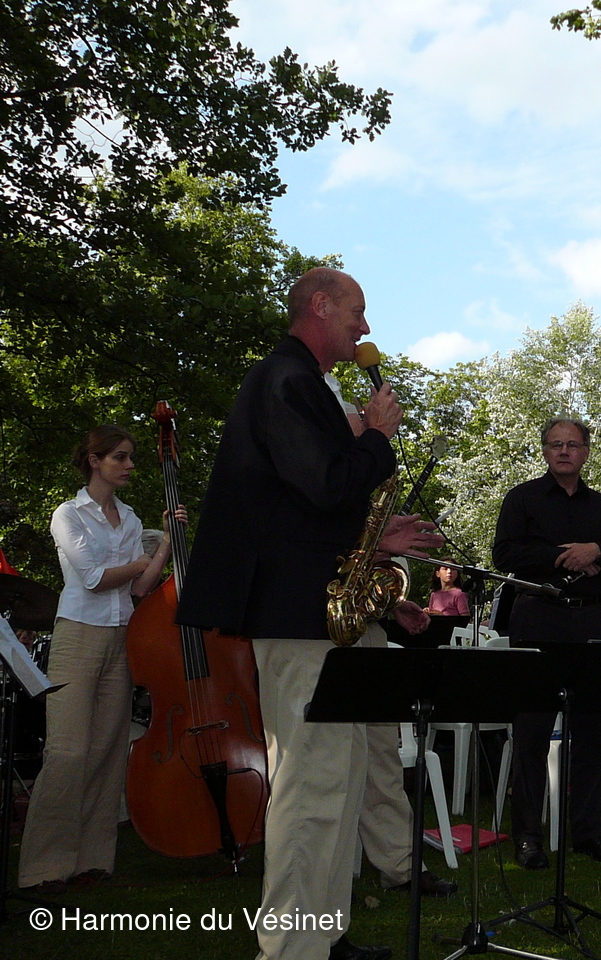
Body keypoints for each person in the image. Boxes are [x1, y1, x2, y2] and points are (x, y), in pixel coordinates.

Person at [178, 268, 441, 960]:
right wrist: (375, 437)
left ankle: (325, 934)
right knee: (310, 784)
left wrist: (375, 539)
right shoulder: (285, 379)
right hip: (298, 616)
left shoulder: (305, 383)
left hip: (319, 613)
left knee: (341, 781)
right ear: (319, 306)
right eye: (357, 311)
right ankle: (291, 947)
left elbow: (299, 507)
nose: (365, 327)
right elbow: (326, 484)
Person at [18, 425, 180, 894]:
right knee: (67, 751)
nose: (129, 465)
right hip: (77, 635)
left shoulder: (129, 519)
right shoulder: (68, 514)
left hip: (121, 637)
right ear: (95, 461)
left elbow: (139, 588)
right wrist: (139, 561)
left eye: (130, 457)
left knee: (108, 752)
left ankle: (92, 860)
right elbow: (92, 578)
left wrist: (165, 544)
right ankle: (43, 869)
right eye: (120, 457)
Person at [323, 371, 457, 900]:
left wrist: (394, 605)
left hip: (364, 634)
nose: (366, 429)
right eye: (358, 424)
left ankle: (400, 866)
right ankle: (332, 878)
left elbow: (361, 573)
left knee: (381, 755)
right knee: (334, 765)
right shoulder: (322, 483)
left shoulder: (363, 488)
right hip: (321, 639)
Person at [491, 418, 601, 870]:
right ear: (545, 451)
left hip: (593, 622)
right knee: (532, 734)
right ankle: (528, 837)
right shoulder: (521, 499)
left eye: (573, 444)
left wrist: (598, 552)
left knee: (594, 733)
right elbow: (504, 555)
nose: (564, 451)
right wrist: (562, 556)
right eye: (556, 444)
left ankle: (588, 833)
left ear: (586, 451)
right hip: (538, 620)